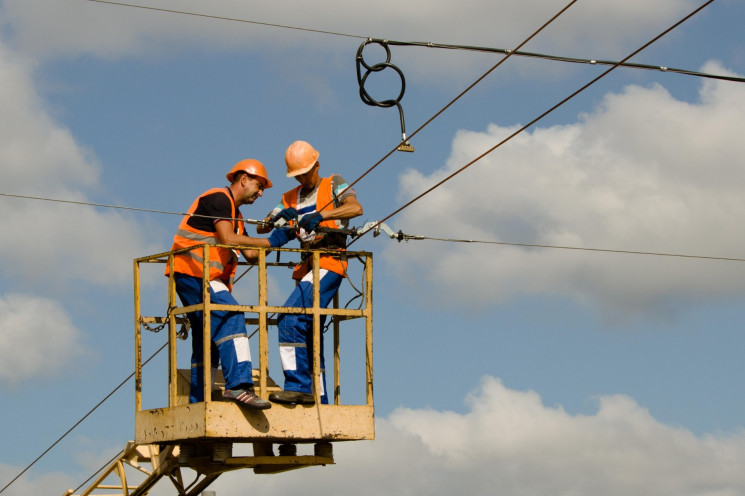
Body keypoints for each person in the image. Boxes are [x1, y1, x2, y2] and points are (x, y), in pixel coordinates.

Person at [166, 159, 289, 410]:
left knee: (209, 335)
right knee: (230, 316)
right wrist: (269, 243)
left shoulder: (237, 216)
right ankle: (239, 386)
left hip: (200, 276)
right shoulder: (219, 198)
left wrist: (283, 235)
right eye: (259, 185)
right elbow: (227, 238)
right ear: (243, 179)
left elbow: (251, 255)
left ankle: (201, 397)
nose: (261, 192)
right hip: (194, 273)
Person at [257, 140, 363, 405]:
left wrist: (322, 215)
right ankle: (319, 397)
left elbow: (355, 208)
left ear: (316, 165)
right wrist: (277, 218)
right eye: (297, 175)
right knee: (308, 331)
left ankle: (298, 385)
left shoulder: (334, 182)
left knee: (289, 319)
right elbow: (263, 226)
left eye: (305, 173)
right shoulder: (290, 197)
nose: (302, 178)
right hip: (306, 266)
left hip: (330, 260)